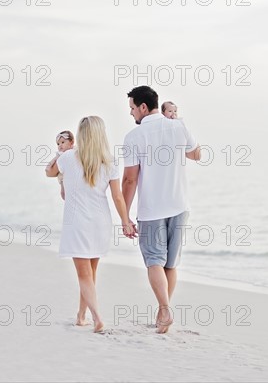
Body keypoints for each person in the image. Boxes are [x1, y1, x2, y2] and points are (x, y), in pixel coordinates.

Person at [121, 86, 201, 334]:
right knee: (170, 264)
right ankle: (162, 314)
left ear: (143, 107)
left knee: (154, 261)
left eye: (133, 108)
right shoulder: (178, 126)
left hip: (153, 209)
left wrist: (124, 216)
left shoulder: (135, 136)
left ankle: (165, 308)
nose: (132, 113)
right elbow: (196, 154)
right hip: (179, 205)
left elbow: (130, 180)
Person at [46, 116, 136, 333]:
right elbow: (117, 197)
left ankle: (97, 318)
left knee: (84, 274)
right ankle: (81, 316)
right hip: (100, 222)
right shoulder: (109, 162)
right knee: (91, 273)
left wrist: (59, 152)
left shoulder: (67, 158)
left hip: (77, 222)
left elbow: (49, 172)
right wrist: (126, 222)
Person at [54, 130, 74, 200]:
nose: (60, 145)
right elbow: (53, 164)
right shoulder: (59, 154)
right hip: (62, 177)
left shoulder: (75, 151)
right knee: (63, 191)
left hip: (72, 176)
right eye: (58, 144)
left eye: (63, 142)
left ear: (71, 142)